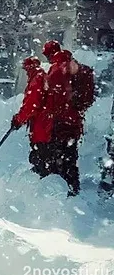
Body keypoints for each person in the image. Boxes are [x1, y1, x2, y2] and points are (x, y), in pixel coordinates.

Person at [41, 41, 83, 196]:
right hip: (75, 121)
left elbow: (53, 97)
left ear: (50, 53)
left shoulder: (57, 69)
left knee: (59, 157)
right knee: (70, 156)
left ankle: (62, 192)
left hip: (60, 121)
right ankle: (73, 187)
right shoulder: (74, 66)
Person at [11, 56, 55, 180]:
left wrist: (19, 120)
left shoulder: (37, 79)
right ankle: (42, 177)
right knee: (43, 156)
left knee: (40, 156)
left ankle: (40, 182)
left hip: (41, 126)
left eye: (26, 69)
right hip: (45, 124)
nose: (25, 72)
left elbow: (31, 105)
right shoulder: (42, 77)